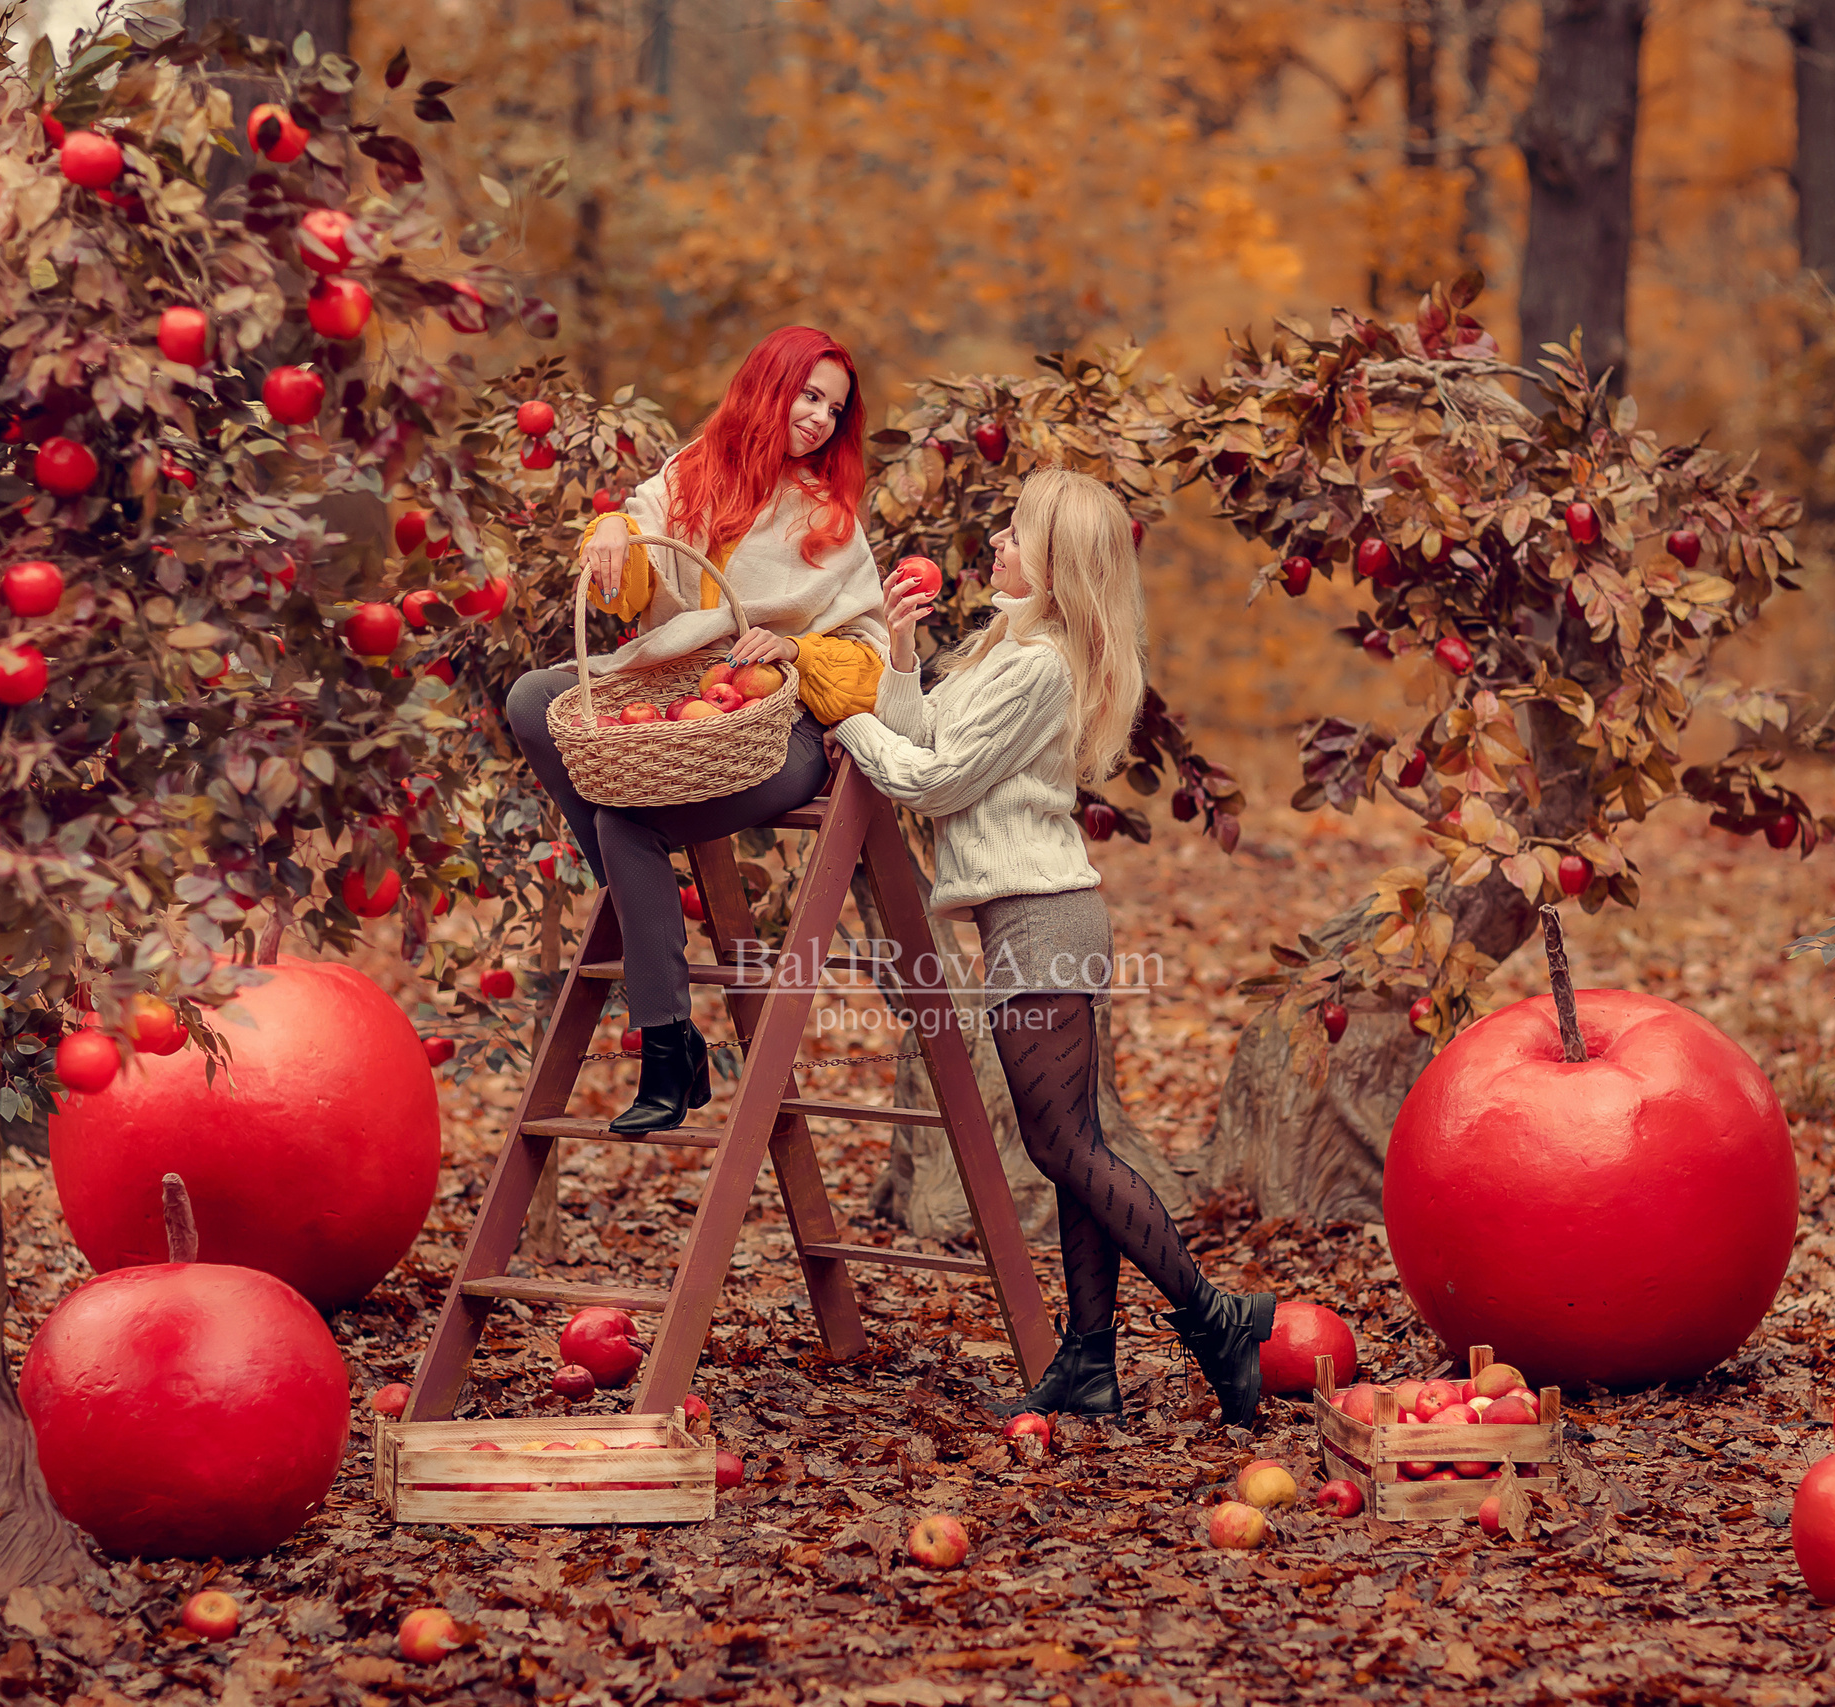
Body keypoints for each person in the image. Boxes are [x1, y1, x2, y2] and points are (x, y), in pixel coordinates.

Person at [828, 469, 1276, 1426]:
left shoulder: (1041, 663)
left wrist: (846, 717)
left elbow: (935, 782)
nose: (996, 540)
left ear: (1058, 562)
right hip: (1032, 915)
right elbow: (930, 741)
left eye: (1017, 532)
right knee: (1075, 1147)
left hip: (1044, 917)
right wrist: (898, 660)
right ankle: (1088, 1362)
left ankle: (1215, 1314)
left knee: (1061, 1145)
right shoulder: (1006, 645)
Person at [506, 327, 892, 1135]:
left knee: (623, 818)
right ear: (766, 385)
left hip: (777, 729)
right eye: (808, 395)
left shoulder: (831, 517)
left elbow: (871, 657)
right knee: (532, 700)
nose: (820, 419)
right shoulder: (691, 475)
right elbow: (626, 576)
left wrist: (792, 644)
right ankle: (672, 1019)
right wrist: (609, 526)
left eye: (834, 408)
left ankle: (663, 1043)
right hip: (678, 701)